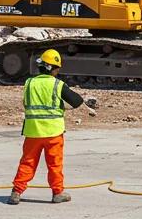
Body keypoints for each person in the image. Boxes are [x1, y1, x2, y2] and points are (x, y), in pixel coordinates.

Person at [8, 49, 89, 205]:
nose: (58, 71)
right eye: (57, 68)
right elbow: (76, 101)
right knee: (54, 164)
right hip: (53, 132)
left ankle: (16, 192)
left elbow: (26, 103)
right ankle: (57, 193)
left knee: (27, 162)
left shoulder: (29, 83)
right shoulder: (57, 84)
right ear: (52, 68)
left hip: (33, 131)